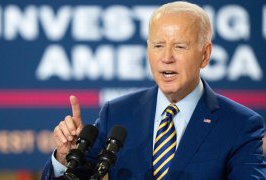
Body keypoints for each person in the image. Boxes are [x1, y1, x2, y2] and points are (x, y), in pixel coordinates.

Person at [41, 1, 266, 179]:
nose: (166, 58)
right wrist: (65, 157)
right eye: (158, 46)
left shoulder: (240, 125)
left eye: (179, 46)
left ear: (205, 55)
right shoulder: (117, 113)